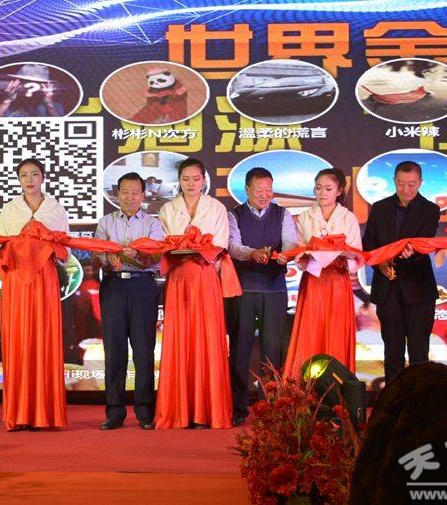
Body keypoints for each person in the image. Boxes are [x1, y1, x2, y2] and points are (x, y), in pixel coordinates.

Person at [155, 158, 232, 429]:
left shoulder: (216, 208)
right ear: (179, 180)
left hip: (205, 275)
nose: (191, 184)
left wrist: (200, 250)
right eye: (186, 179)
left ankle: (206, 411)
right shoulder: (167, 208)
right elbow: (164, 244)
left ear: (204, 180)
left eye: (196, 179)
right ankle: (178, 410)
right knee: (179, 339)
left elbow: (220, 244)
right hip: (178, 278)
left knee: (207, 338)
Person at [0, 158, 70, 430]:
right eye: (24, 175)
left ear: (43, 177)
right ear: (18, 179)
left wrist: (47, 244)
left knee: (44, 337)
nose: (29, 179)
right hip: (16, 280)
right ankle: (18, 414)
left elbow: (66, 250)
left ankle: (45, 414)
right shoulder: (10, 209)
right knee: (18, 338)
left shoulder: (55, 209)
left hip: (45, 279)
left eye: (34, 174)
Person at [226, 167, 299, 426]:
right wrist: (252, 253)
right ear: (247, 189)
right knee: (240, 350)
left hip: (275, 288)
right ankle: (238, 408)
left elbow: (290, 242)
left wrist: (286, 254)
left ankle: (271, 409)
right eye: (259, 190)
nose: (264, 195)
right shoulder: (234, 215)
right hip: (243, 290)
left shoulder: (282, 214)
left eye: (269, 190)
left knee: (272, 351)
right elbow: (232, 246)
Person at [94, 172, 163, 431]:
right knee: (114, 351)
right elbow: (96, 255)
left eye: (135, 192)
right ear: (117, 194)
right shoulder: (106, 222)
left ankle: (145, 412)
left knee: (144, 350)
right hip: (113, 286)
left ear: (143, 195)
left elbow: (157, 256)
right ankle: (114, 412)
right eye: (125, 192)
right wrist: (108, 257)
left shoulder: (153, 224)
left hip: (142, 286)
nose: (130, 197)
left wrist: (138, 254)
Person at [362, 161, 440, 381]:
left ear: (421, 182)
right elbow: (369, 243)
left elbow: (425, 242)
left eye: (412, 184)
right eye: (401, 183)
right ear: (394, 181)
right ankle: (394, 397)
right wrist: (380, 264)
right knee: (392, 353)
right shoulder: (379, 208)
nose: (406, 189)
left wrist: (411, 252)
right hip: (387, 289)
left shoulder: (430, 210)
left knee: (419, 354)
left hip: (418, 289)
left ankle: (419, 398)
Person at [284, 168, 362, 375]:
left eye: (328, 188)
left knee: (336, 330)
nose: (322, 193)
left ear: (339, 191)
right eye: (318, 188)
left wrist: (340, 256)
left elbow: (356, 252)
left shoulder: (348, 218)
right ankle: (305, 384)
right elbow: (299, 250)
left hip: (338, 280)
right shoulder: (305, 217)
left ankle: (337, 382)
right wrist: (310, 255)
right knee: (311, 331)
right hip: (313, 281)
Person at [0, 64, 64, 117]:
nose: (30, 87)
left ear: (46, 86)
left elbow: (62, 128)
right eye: (25, 81)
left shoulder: (55, 107)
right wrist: (7, 101)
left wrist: (49, 105)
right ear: (14, 82)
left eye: (37, 83)